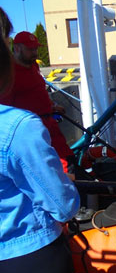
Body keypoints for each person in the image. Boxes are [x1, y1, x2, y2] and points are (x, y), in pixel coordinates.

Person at [0, 7, 80, 273]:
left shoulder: (33, 69)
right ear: (14, 48)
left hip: (47, 127)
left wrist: (52, 106)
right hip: (30, 252)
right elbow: (63, 205)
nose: (36, 53)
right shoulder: (16, 127)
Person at [0, 31, 76, 174]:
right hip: (32, 134)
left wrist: (53, 106)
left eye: (36, 48)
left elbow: (38, 91)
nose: (35, 52)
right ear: (17, 48)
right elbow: (5, 111)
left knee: (70, 162)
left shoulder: (33, 65)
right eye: (30, 49)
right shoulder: (8, 73)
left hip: (50, 126)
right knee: (57, 171)